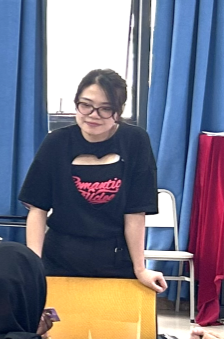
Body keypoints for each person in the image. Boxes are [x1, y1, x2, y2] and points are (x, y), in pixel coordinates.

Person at [20, 68, 167, 293]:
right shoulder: (56, 142)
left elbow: (135, 212)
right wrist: (34, 265)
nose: (93, 115)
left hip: (115, 258)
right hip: (59, 258)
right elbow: (37, 209)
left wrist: (140, 269)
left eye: (105, 108)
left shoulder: (135, 141)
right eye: (86, 105)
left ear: (119, 111)